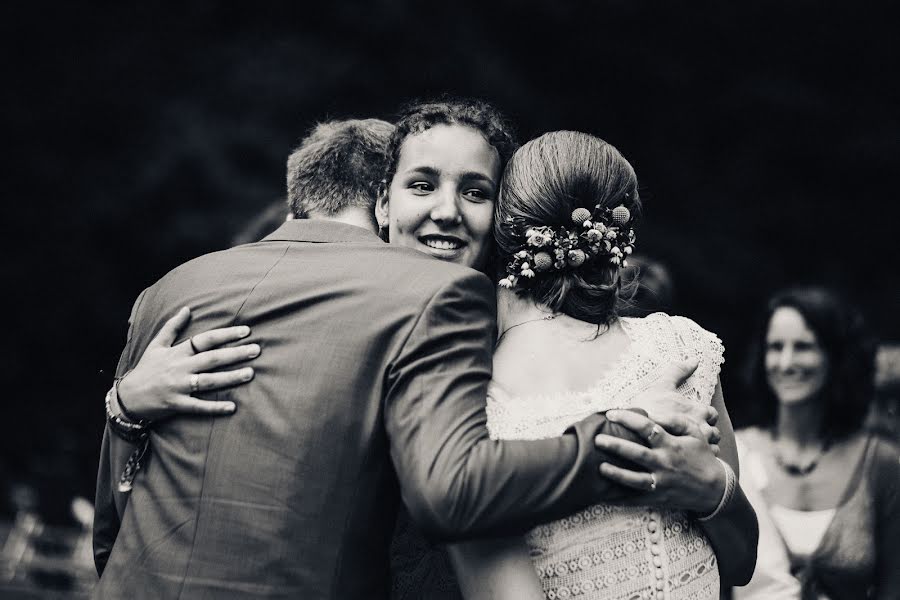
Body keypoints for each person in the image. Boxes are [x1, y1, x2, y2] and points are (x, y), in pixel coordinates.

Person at [101, 101, 755, 598]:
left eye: (475, 192)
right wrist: (128, 404)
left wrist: (706, 486)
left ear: (506, 217)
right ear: (382, 203)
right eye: (422, 186)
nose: (446, 211)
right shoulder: (331, 308)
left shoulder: (485, 333)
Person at [441, 130, 752, 599]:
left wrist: (711, 489)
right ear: (625, 233)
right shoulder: (472, 392)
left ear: (505, 231)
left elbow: (740, 567)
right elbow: (742, 561)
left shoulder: (680, 349)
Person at [734, 286, 899, 599]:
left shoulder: (881, 463)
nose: (785, 362)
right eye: (775, 347)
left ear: (836, 355)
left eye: (803, 347)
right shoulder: (734, 454)